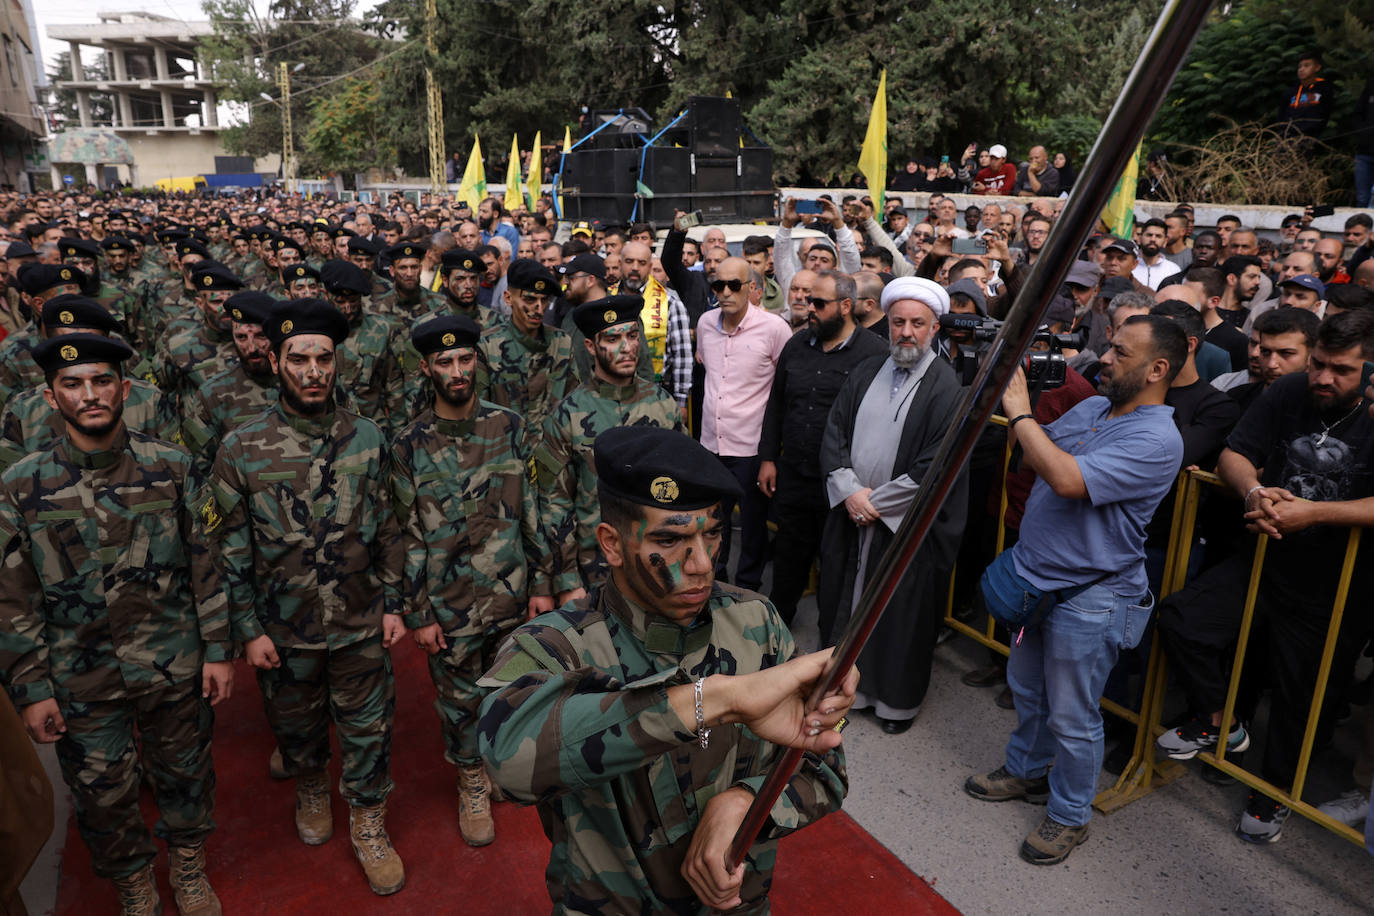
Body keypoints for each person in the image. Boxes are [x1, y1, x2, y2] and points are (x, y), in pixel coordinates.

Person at [478, 425, 856, 913]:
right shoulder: (556, 646)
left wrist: (744, 802)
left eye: (714, 534)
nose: (702, 563)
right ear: (611, 544)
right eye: (671, 540)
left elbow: (826, 765)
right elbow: (506, 760)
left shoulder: (757, 623)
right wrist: (714, 700)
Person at [0, 333, 231, 915]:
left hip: (173, 662)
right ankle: (133, 882)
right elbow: (12, 597)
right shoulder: (20, 486)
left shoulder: (172, 467)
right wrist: (30, 689)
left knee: (185, 773)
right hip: (80, 675)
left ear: (124, 389)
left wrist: (220, 649)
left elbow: (206, 561)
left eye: (102, 381)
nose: (90, 395)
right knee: (102, 794)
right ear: (51, 398)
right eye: (73, 385)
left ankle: (187, 864)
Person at [198, 298, 406, 896]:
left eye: (323, 358)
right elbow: (227, 546)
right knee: (295, 723)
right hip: (283, 627)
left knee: (370, 729)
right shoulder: (242, 447)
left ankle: (368, 823)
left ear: (337, 362)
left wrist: (394, 604)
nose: (313, 371)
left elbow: (389, 523)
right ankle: (312, 786)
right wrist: (247, 628)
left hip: (362, 617)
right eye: (299, 358)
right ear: (276, 360)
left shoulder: (367, 436)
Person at [966, 314, 1187, 866]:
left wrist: (1020, 411)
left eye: (1120, 353)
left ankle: (1069, 815)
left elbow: (1065, 477)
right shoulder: (1093, 407)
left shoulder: (1158, 439)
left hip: (1091, 597)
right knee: (1028, 688)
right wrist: (1021, 396)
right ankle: (1025, 772)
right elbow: (1033, 454)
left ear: (1158, 369)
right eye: (1108, 347)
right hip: (1034, 581)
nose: (1105, 360)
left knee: (1073, 714)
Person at [1157, 309, 1374, 843]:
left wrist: (1314, 512)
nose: (1323, 378)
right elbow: (1235, 453)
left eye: (1341, 370)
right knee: (1183, 619)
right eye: (1319, 363)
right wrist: (1254, 491)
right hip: (1265, 556)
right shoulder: (1290, 391)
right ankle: (1219, 720)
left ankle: (1274, 793)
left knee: (1304, 698)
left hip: (1338, 583)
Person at [391, 314, 552, 847]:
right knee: (460, 701)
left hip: (509, 591)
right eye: (445, 362)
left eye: (465, 359)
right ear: (426, 368)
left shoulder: (508, 426)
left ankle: (500, 765)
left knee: (510, 688)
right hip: (449, 603)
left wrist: (541, 582)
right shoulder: (408, 445)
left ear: (476, 361)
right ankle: (470, 779)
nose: (457, 371)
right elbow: (405, 536)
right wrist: (418, 613)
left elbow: (531, 509)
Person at [819, 277, 967, 733]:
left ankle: (894, 704)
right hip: (854, 511)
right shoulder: (866, 369)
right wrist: (850, 492)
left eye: (917, 324)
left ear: (934, 328)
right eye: (898, 322)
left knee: (899, 617)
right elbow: (835, 432)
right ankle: (849, 692)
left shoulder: (946, 387)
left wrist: (876, 504)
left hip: (901, 524)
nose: (906, 332)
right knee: (845, 603)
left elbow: (937, 464)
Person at [758, 270, 887, 625]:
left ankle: (829, 651)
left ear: (846, 306)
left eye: (818, 302)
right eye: (806, 300)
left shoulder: (875, 353)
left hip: (841, 486)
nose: (808, 308)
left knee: (835, 570)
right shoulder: (796, 345)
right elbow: (777, 404)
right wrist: (768, 457)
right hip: (794, 476)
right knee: (787, 563)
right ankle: (774, 638)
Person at [537, 295, 681, 596]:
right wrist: (567, 581)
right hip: (595, 572)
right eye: (613, 339)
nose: (627, 347)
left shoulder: (663, 406)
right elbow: (556, 505)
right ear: (591, 346)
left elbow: (682, 487)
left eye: (632, 335)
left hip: (659, 565)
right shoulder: (568, 415)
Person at [697, 258, 792, 591]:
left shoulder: (775, 329)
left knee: (752, 528)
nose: (725, 293)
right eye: (717, 285)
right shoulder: (706, 324)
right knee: (711, 523)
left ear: (752, 287)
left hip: (751, 447)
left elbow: (782, 391)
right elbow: (706, 372)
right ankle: (714, 585)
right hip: (710, 444)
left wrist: (770, 456)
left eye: (733, 285)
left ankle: (747, 592)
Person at [475, 259, 575, 452]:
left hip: (552, 455)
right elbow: (479, 413)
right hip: (503, 455)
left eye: (544, 300)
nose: (539, 308)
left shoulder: (561, 343)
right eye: (529, 299)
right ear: (508, 298)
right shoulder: (487, 346)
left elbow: (573, 402)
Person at [1277, 49, 1333, 139]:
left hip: (1310, 139)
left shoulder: (1324, 89)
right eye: (1300, 66)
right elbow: (1281, 114)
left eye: (1307, 65)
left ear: (1317, 67)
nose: (1301, 69)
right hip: (1287, 138)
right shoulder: (1290, 91)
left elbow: (1326, 113)